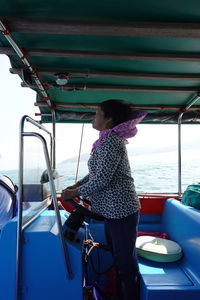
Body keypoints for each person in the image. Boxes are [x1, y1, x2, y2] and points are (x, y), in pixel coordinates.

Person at [61, 99, 147, 300]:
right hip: (111, 212)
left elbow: (101, 180)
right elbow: (94, 174)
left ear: (108, 119)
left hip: (122, 212)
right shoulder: (105, 141)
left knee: (125, 263)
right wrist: (75, 187)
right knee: (118, 258)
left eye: (97, 113)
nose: (94, 117)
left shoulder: (111, 142)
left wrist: (74, 193)